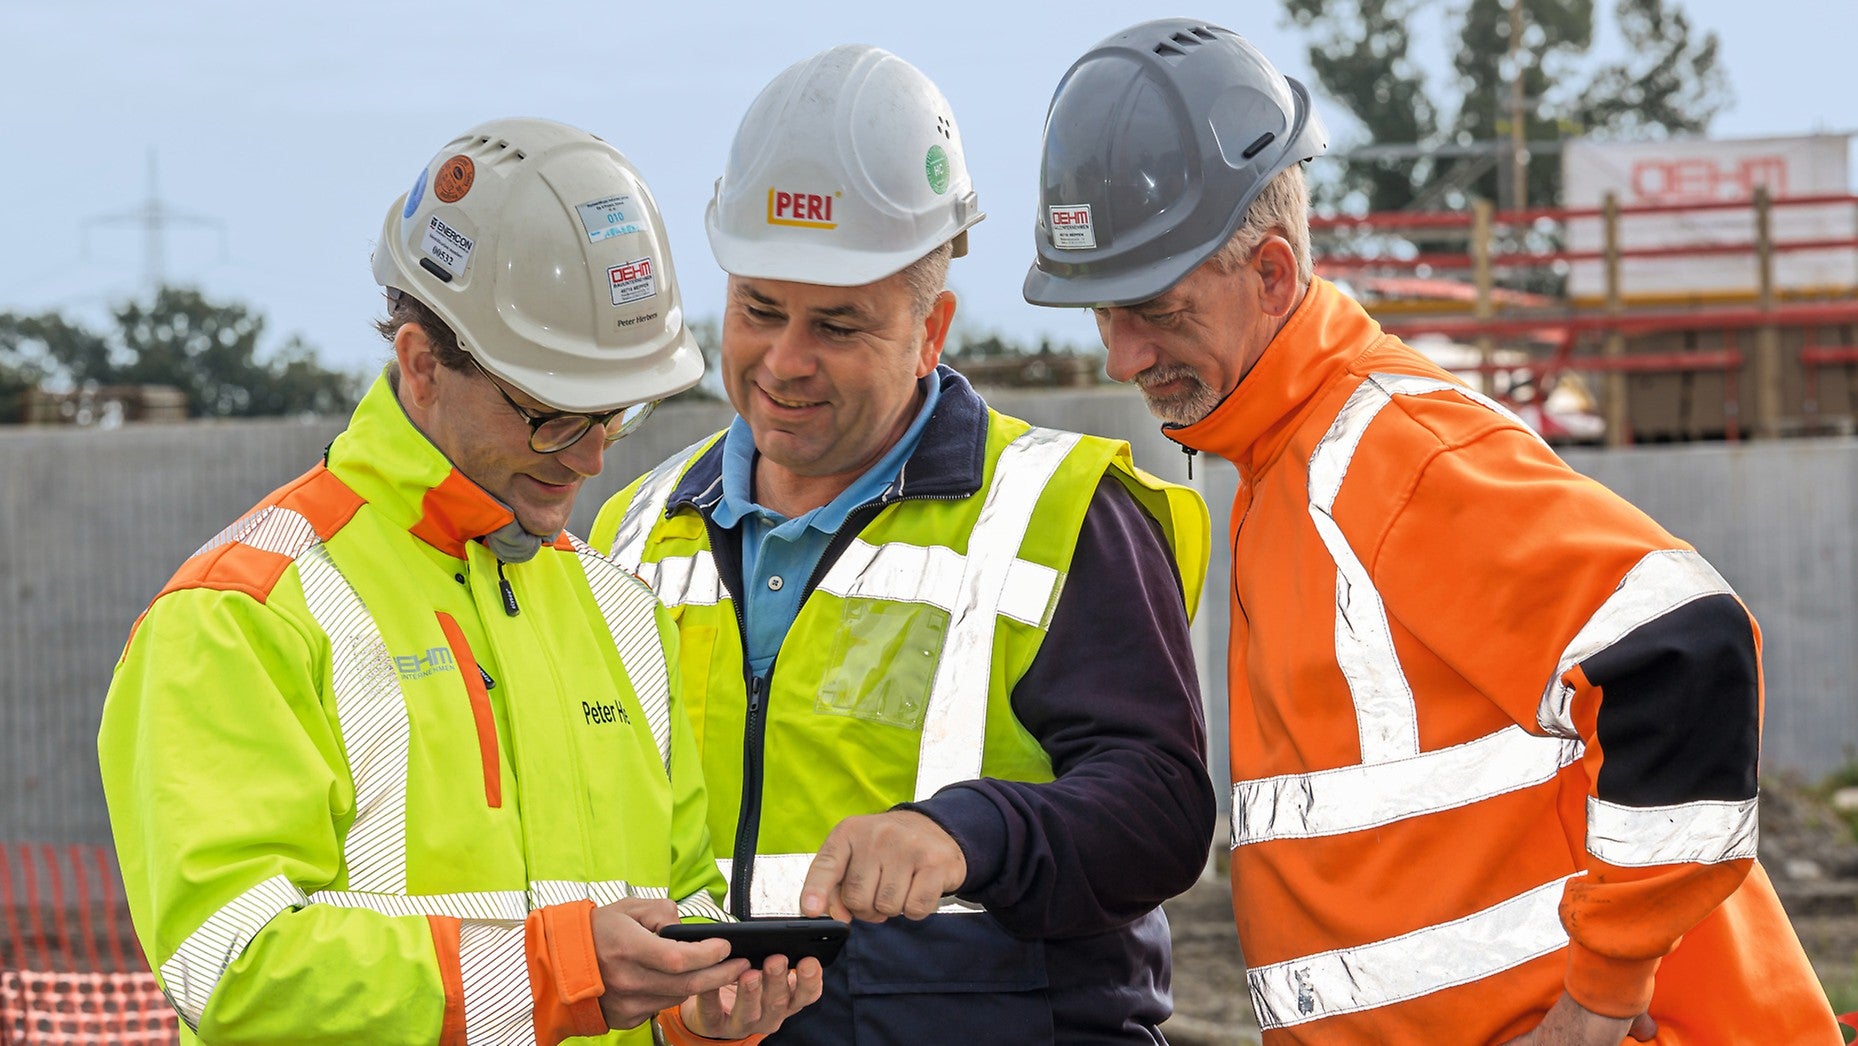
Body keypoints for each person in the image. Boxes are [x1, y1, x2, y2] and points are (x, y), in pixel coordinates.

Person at [1022, 17, 1841, 1045]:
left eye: (1153, 309)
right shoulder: (1287, 463)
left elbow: (1688, 651)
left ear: (1272, 275)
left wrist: (1597, 999)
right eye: (1101, 311)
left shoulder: (1383, 451)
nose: (1120, 354)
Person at [97, 117, 822, 1046]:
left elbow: (670, 908)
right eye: (555, 416)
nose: (594, 457)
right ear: (421, 364)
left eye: (617, 413)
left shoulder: (620, 611)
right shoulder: (241, 616)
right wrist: (558, 972)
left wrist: (693, 1014)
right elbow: (232, 966)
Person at [591, 44, 1217, 1043]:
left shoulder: (1060, 510)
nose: (783, 362)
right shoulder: (633, 531)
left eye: (838, 326)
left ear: (932, 331)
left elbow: (1158, 811)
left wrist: (963, 833)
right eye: (759, 310)